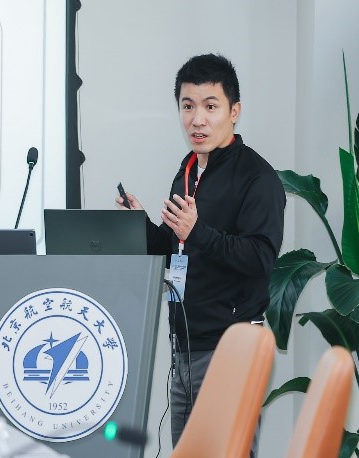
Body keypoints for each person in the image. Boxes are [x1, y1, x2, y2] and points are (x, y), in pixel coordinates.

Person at [116, 53, 285, 457]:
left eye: (211, 106)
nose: (197, 120)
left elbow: (261, 258)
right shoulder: (188, 171)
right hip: (187, 349)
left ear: (234, 111)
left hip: (232, 348)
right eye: (188, 106)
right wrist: (139, 225)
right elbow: (175, 249)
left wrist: (199, 232)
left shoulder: (258, 178)